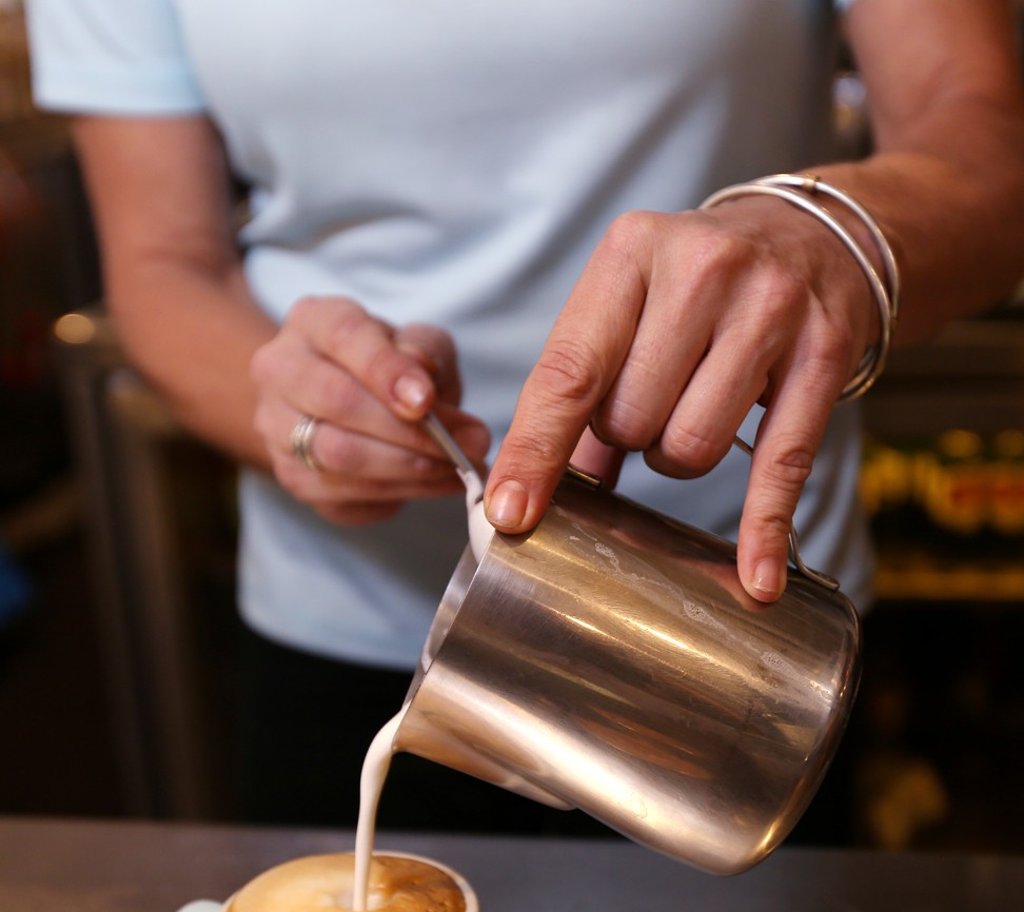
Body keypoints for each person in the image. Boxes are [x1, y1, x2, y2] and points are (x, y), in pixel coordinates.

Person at [26, 1, 1024, 836]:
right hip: (352, 629)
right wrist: (287, 408)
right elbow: (161, 267)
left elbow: (988, 153)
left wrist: (832, 232)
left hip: (730, 641)